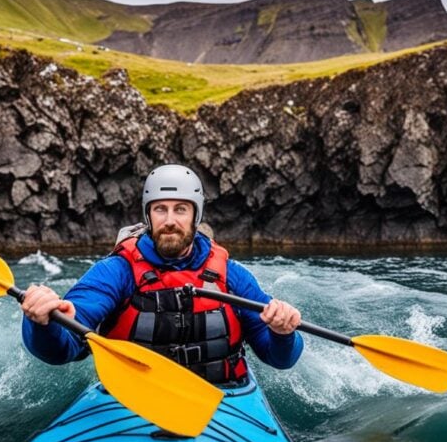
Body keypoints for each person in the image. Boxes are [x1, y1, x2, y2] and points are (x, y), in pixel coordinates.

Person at [20, 164, 304, 383]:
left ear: (196, 216)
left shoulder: (233, 276)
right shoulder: (116, 272)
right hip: (133, 398)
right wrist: (45, 324)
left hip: (223, 396)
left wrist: (283, 333)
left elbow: (279, 359)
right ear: (148, 216)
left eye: (180, 209)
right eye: (160, 210)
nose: (170, 221)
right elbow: (62, 350)